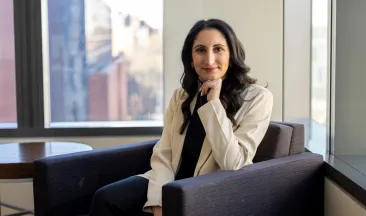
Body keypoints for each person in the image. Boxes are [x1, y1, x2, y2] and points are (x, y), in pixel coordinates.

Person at [88, 18, 273, 216]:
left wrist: (213, 104)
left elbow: (232, 163)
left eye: (218, 49)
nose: (209, 60)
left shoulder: (257, 98)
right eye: (201, 50)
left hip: (207, 190)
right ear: (191, 59)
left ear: (231, 54)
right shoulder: (182, 95)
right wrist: (159, 204)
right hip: (169, 182)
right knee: (105, 198)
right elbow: (164, 155)